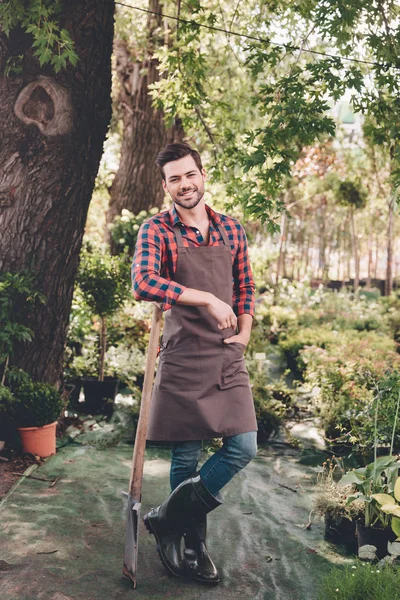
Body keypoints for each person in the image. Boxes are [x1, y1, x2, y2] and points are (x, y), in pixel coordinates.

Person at [131, 142, 257, 584]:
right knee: (185, 456)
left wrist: (244, 330)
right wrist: (203, 296)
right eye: (174, 179)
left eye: (190, 175)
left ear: (203, 175)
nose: (184, 185)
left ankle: (167, 519)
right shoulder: (157, 230)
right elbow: (143, 281)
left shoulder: (231, 230)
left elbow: (245, 287)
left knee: (243, 447)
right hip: (184, 354)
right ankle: (193, 543)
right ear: (165, 186)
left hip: (225, 354)